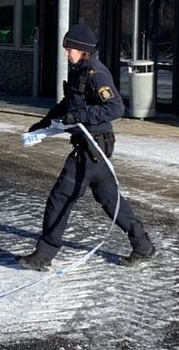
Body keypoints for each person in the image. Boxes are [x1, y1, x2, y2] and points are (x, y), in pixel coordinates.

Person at [18, 23, 156, 271]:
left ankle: (44, 255)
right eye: (66, 48)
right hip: (91, 147)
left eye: (70, 49)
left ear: (84, 50)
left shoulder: (96, 74)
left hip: (94, 148)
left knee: (60, 197)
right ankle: (143, 245)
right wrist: (44, 123)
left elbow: (115, 108)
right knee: (110, 199)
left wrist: (79, 116)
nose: (66, 53)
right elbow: (68, 104)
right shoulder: (78, 71)